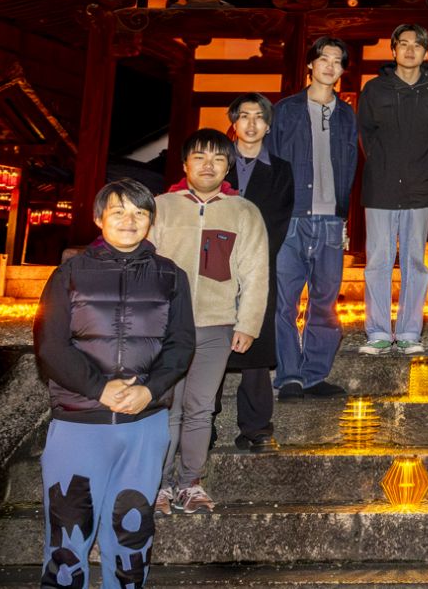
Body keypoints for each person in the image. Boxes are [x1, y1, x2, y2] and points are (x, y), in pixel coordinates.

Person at [34, 180, 193, 589]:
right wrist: (99, 389)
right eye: (119, 211)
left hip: (144, 424)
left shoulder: (171, 276)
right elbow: (50, 346)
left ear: (151, 222)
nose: (129, 220)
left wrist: (148, 390)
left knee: (131, 533)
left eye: (140, 213)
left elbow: (181, 345)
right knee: (68, 536)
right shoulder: (69, 274)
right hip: (78, 423)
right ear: (98, 217)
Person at [148, 129, 268, 515]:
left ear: (228, 167)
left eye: (218, 158)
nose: (208, 165)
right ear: (185, 164)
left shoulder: (244, 212)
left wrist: (247, 323)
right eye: (199, 157)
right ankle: (159, 486)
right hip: (166, 327)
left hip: (216, 325)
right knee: (167, 407)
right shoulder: (161, 207)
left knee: (201, 408)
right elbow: (144, 265)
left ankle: (190, 483)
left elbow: (256, 273)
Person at [271, 36, 358, 398]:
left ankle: (314, 375)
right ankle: (289, 375)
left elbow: (350, 166)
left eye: (337, 61)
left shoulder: (346, 114)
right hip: (292, 217)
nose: (330, 66)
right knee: (284, 302)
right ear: (310, 64)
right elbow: (272, 160)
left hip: (331, 221)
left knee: (325, 301)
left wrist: (344, 217)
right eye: (324, 59)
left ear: (342, 70)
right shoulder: (285, 110)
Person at [358, 23, 428, 355]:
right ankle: (378, 331)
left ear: (426, 52)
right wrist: (384, 164)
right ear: (394, 49)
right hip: (381, 185)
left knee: (415, 261)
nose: (410, 50)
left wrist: (426, 166)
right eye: (404, 44)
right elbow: (366, 135)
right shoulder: (375, 89)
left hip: (421, 186)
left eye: (417, 45)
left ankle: (410, 331)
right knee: (378, 260)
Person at [215, 93, 295, 453]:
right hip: (214, 265)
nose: (251, 124)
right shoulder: (217, 162)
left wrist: (251, 258)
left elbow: (278, 220)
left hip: (259, 263)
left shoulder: (281, 169)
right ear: (234, 122)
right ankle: (204, 425)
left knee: (257, 343)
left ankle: (256, 428)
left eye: (259, 117)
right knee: (212, 341)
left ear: (268, 125)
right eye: (244, 116)